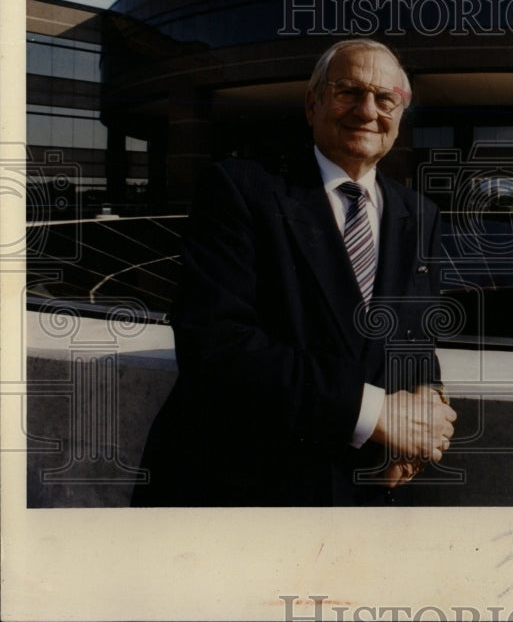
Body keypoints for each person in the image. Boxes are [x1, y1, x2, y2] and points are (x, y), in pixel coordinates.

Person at [133, 38, 457, 506]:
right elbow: (216, 345)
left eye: (386, 99)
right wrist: (376, 413)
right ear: (312, 104)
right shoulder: (239, 189)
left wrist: (428, 411)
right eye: (348, 91)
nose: (368, 111)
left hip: (361, 487)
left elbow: (417, 336)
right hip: (241, 489)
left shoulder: (420, 213)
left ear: (400, 114)